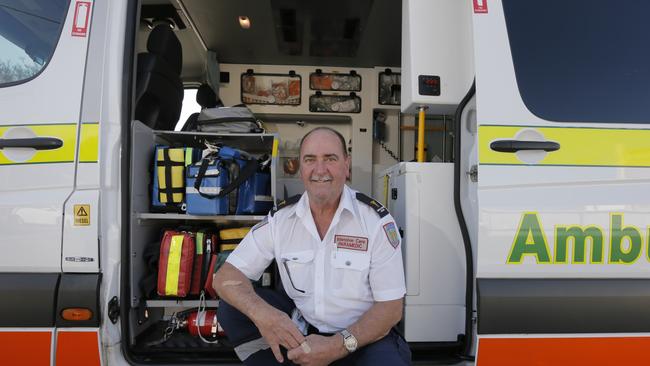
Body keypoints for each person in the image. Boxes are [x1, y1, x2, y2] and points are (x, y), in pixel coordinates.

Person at [214, 127, 410, 365]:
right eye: (310, 160)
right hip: (304, 332)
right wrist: (264, 315)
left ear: (346, 165)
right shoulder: (281, 219)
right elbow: (225, 277)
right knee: (231, 308)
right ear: (300, 167)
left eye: (330, 159)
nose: (320, 170)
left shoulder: (376, 221)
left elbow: (390, 309)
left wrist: (335, 347)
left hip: (362, 339)